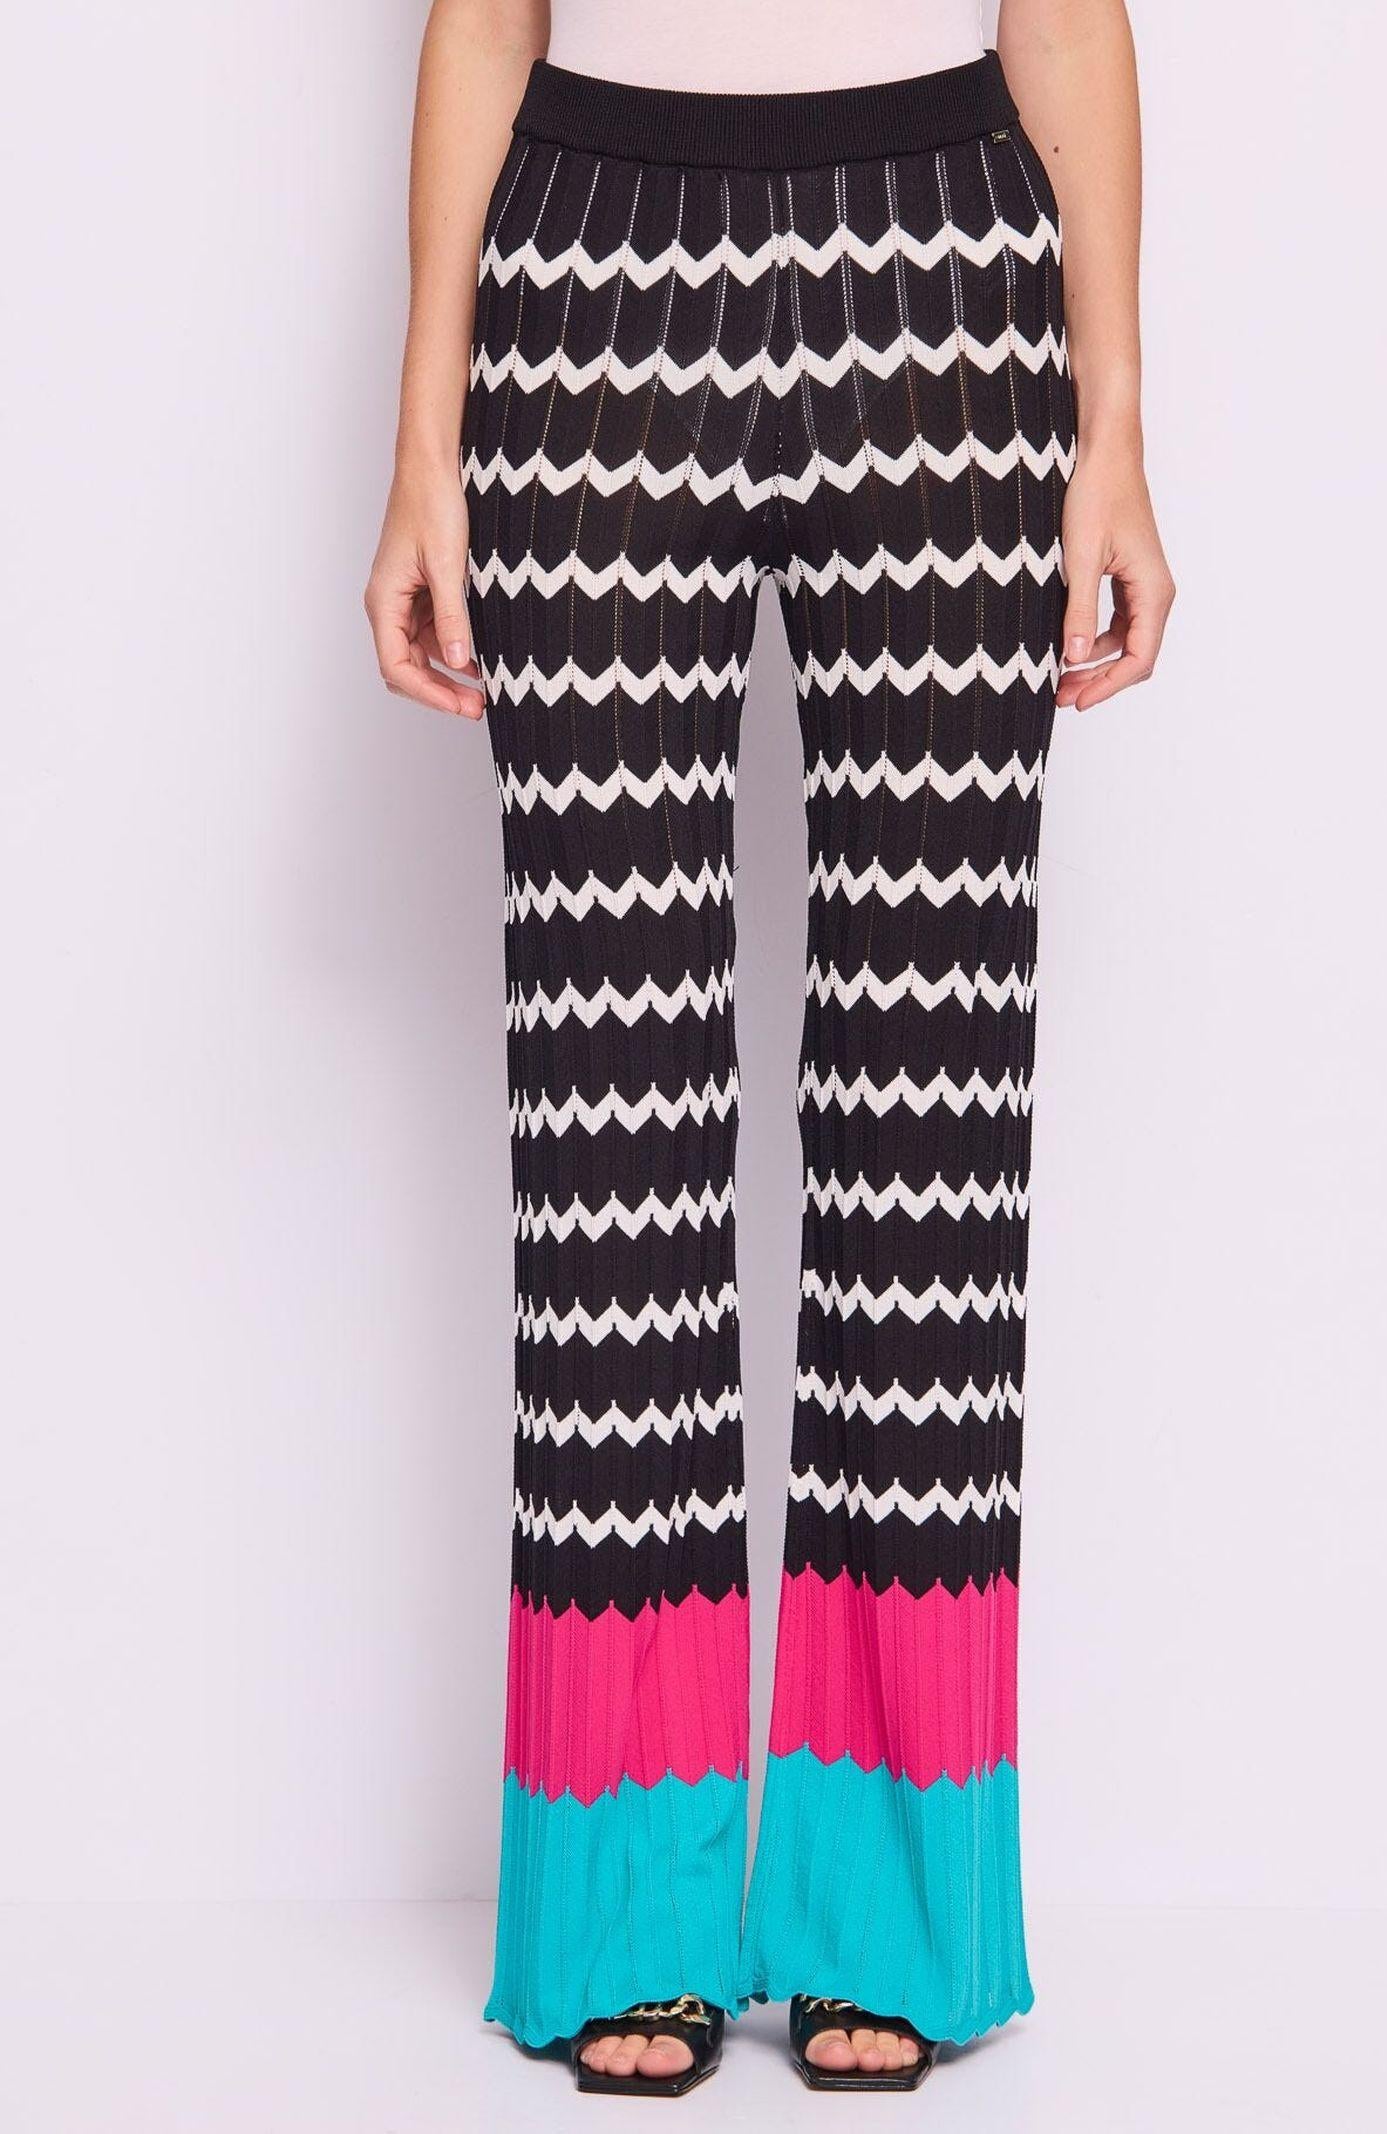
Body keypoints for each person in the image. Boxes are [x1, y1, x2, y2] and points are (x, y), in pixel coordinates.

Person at [365, 0, 1173, 2096]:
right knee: (606, 1137)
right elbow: (484, 16)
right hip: (592, 283)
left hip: (944, 284)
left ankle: (884, 1903)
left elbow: (1064, 12)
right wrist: (421, 444)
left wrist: (1114, 425)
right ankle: (621, 1893)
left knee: (929, 1134)